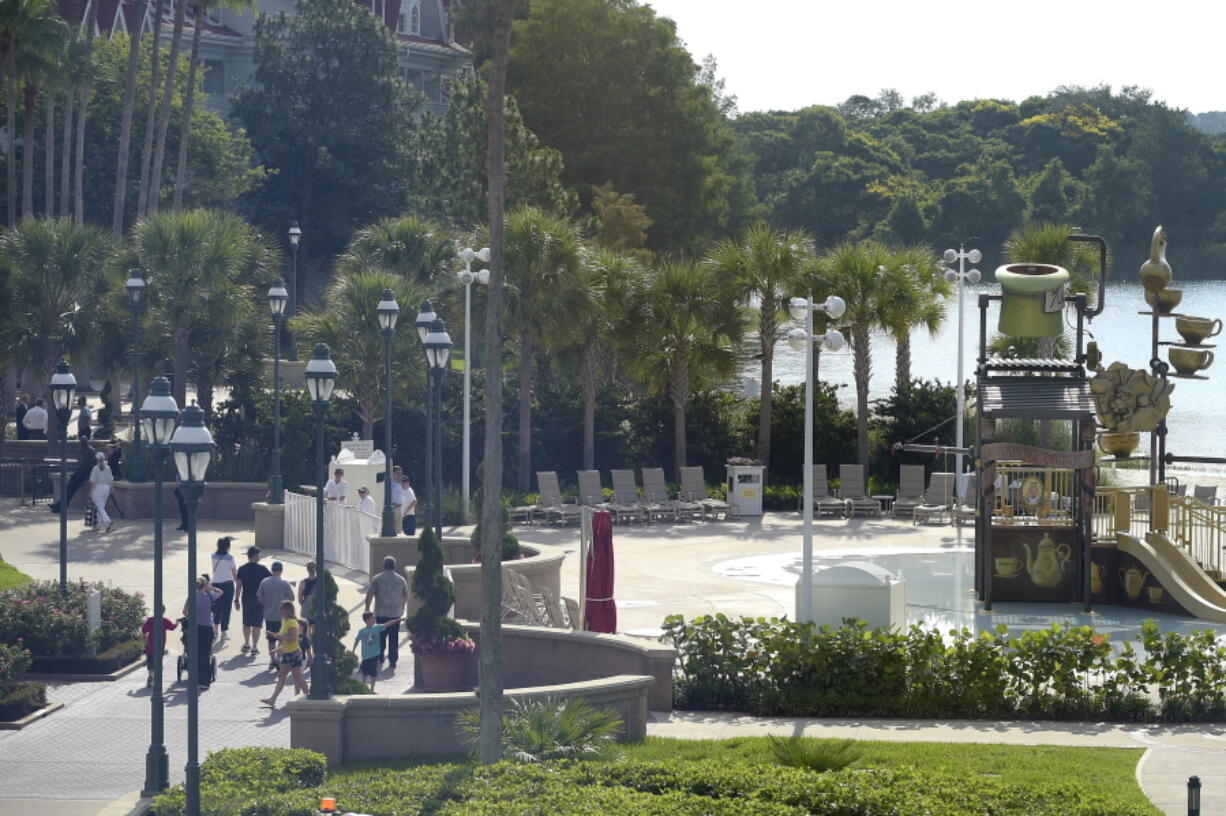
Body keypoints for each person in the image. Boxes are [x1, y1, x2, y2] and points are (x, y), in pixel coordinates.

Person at [261, 600, 309, 708]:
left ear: (286, 610)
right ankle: (272, 699)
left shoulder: (292, 622)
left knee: (298, 678)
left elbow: (293, 639)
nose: (279, 611)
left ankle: (308, 697)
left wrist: (278, 636)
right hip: (286, 654)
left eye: (281, 609)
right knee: (281, 676)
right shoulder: (284, 621)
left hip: (294, 654)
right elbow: (284, 639)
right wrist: (275, 640)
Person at [364, 556, 409, 670]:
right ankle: (393, 661)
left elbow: (370, 595)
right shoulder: (401, 580)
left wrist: (367, 608)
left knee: (380, 637)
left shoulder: (377, 579)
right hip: (395, 614)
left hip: (380, 613)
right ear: (394, 566)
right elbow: (405, 595)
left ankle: (380, 656)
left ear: (384, 565)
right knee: (394, 638)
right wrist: (402, 606)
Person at [184, 576, 222, 690]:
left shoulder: (191, 597)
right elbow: (221, 592)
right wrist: (212, 588)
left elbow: (185, 611)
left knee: (193, 652)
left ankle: (193, 678)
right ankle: (204, 681)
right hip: (206, 628)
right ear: (205, 586)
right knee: (205, 654)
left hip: (193, 628)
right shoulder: (210, 596)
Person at [256, 562, 295, 670]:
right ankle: (279, 658)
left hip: (269, 616)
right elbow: (292, 598)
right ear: (281, 571)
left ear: (272, 570)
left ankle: (272, 660)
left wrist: (267, 603)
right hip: (282, 617)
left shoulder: (264, 582)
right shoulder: (285, 583)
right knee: (281, 639)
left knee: (271, 640)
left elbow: (259, 597)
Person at [235, 547, 271, 656]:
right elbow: (271, 580)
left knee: (246, 623)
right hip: (260, 600)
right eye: (259, 555)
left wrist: (236, 600)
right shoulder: (263, 569)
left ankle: (247, 644)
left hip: (246, 599)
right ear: (254, 555)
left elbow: (239, 585)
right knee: (257, 624)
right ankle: (255, 646)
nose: (260, 557)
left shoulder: (242, 569)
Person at [352, 612, 401, 691]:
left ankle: (372, 689)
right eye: (372, 618)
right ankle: (362, 687)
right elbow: (357, 640)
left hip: (374, 655)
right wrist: (353, 649)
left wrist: (397, 620)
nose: (374, 619)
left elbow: (387, 624)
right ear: (367, 621)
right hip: (365, 655)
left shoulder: (377, 627)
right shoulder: (362, 631)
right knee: (365, 672)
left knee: (373, 673)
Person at [49, 435, 94, 514]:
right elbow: (78, 461)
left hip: (85, 473)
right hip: (79, 471)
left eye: (84, 440)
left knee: (71, 489)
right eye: (81, 440)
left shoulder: (91, 450)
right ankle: (59, 505)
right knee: (68, 488)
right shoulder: (80, 450)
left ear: (87, 441)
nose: (83, 442)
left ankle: (61, 506)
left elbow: (93, 463)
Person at [141, 605, 177, 688]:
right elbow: (172, 627)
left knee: (150, 662)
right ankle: (156, 678)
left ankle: (151, 675)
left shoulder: (150, 620)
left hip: (150, 646)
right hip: (160, 646)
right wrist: (177, 623)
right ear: (163, 612)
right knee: (158, 662)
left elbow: (143, 630)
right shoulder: (164, 620)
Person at [210, 537, 238, 642]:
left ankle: (215, 630)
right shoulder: (230, 558)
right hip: (228, 585)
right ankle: (224, 632)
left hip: (215, 583)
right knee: (227, 609)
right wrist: (237, 582)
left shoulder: (213, 556)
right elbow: (234, 573)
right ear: (228, 546)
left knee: (217, 608)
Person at [297, 562, 318, 664]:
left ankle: (307, 654)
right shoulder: (320, 581)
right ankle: (314, 654)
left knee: (307, 633)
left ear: (307, 569)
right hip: (317, 608)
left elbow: (299, 598)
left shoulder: (303, 582)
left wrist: (304, 605)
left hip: (306, 609)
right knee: (315, 633)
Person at [89, 452, 115, 533]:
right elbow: (111, 480)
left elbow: (93, 482)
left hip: (98, 488)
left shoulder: (95, 468)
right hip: (106, 488)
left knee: (98, 507)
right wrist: (112, 488)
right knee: (101, 507)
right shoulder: (107, 468)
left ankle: (107, 521)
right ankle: (98, 524)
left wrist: (90, 491)